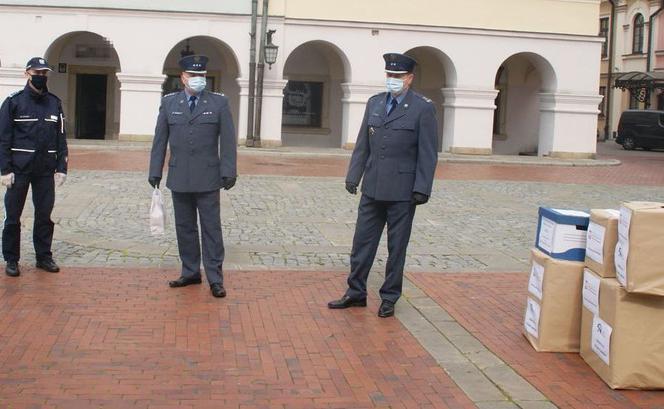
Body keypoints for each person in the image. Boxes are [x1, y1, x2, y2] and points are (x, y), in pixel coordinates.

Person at [328, 53, 438, 318]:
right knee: (361, 244)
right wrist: (353, 176)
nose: (393, 80)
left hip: (402, 191)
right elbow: (363, 143)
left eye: (398, 77)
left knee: (396, 247)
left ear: (409, 78)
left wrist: (422, 188)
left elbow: (428, 152)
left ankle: (389, 297)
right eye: (390, 76)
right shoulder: (375, 103)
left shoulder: (422, 108)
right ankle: (355, 292)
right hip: (373, 186)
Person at [149, 55, 237, 298]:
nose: (197, 80)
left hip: (209, 177)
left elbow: (228, 141)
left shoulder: (218, 103)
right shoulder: (169, 103)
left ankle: (215, 278)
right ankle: (190, 272)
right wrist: (155, 170)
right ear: (183, 77)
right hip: (179, 176)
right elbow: (160, 140)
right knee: (184, 227)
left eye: (201, 76)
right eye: (192, 76)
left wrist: (229, 170)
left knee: (211, 229)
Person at [0, 57, 68, 277]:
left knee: (44, 215)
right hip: (19, 170)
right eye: (36, 73)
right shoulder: (13, 102)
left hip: (45, 170)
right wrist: (4, 170)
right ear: (27, 74)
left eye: (44, 73)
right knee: (13, 217)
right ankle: (11, 259)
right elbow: (3, 138)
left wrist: (62, 166)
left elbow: (61, 137)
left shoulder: (54, 103)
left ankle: (43, 256)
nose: (40, 77)